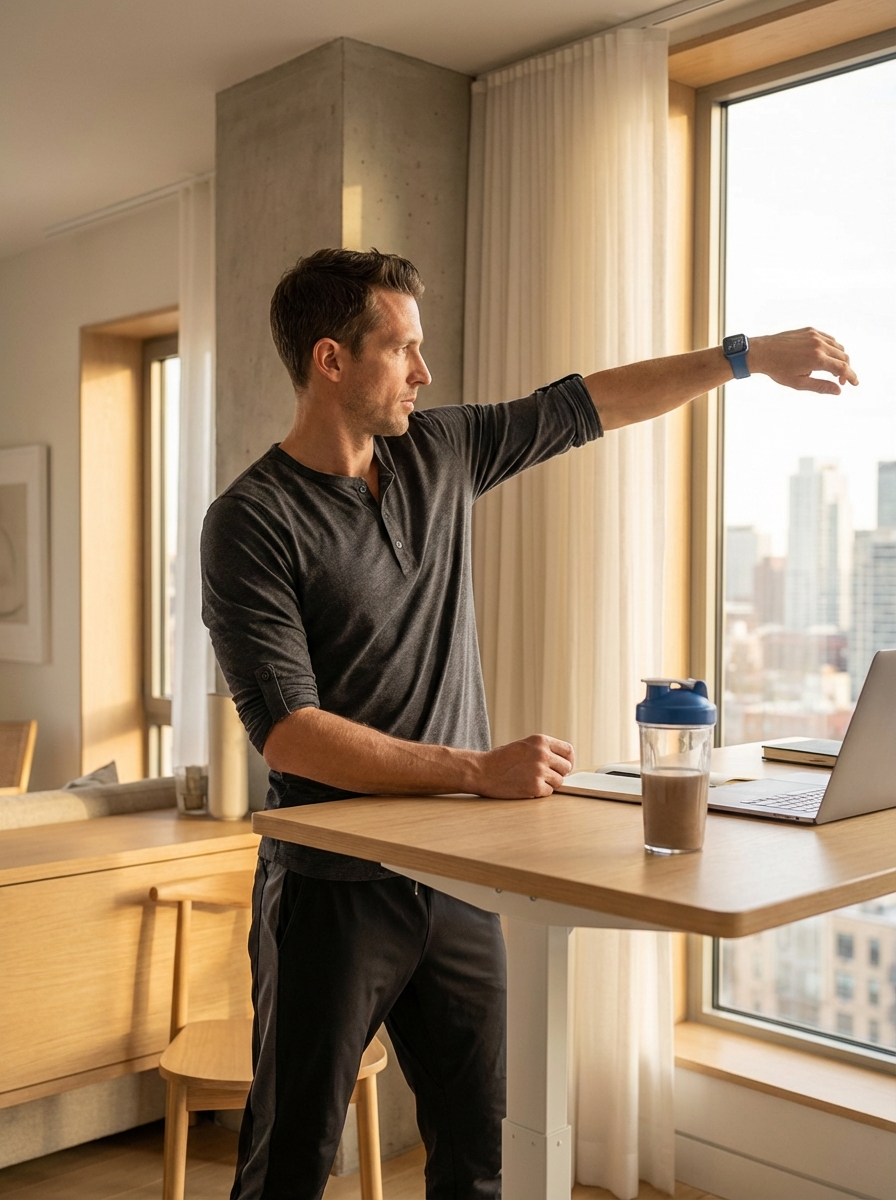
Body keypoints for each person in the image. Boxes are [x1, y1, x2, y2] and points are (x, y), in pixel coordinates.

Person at [200, 248, 856, 1200]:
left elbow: (589, 403)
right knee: (289, 1162)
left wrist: (743, 358)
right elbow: (291, 732)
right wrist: (476, 772)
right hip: (331, 890)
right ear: (332, 359)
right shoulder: (252, 519)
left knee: (478, 1156)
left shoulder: (440, 452)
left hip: (461, 879)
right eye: (404, 349)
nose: (425, 373)